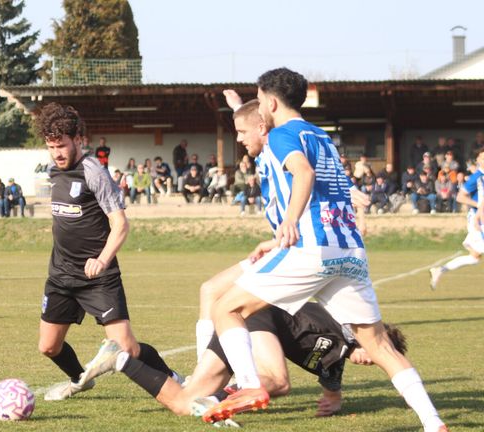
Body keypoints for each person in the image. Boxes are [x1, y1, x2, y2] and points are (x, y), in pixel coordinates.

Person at [203, 69, 446, 432]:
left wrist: (289, 220)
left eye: (259, 99)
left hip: (311, 248)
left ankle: (251, 386)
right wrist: (237, 105)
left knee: (225, 306)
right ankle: (433, 422)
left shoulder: (284, 134)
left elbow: (303, 174)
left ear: (270, 102)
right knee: (380, 346)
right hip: (349, 250)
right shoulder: (321, 136)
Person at [35, 102, 179, 402]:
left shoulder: (93, 172)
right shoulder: (53, 171)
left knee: (127, 348)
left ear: (78, 139)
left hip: (98, 277)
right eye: (51, 147)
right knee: (48, 346)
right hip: (61, 274)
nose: (57, 153)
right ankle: (79, 379)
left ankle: (177, 380)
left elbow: (120, 224)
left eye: (61, 146)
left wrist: (102, 259)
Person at [79, 301, 407, 422]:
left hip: (238, 329)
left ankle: (120, 360)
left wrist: (333, 402)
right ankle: (226, 399)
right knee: (278, 382)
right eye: (377, 351)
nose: (372, 360)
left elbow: (333, 391)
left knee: (184, 403)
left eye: (378, 362)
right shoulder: (348, 328)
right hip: (254, 318)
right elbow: (352, 328)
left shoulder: (335, 362)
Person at [429, 148, 484, 289]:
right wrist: (478, 206)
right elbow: (460, 197)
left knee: (474, 258)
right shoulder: (476, 177)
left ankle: (439, 270)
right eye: (482, 158)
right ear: (477, 160)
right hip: (478, 220)